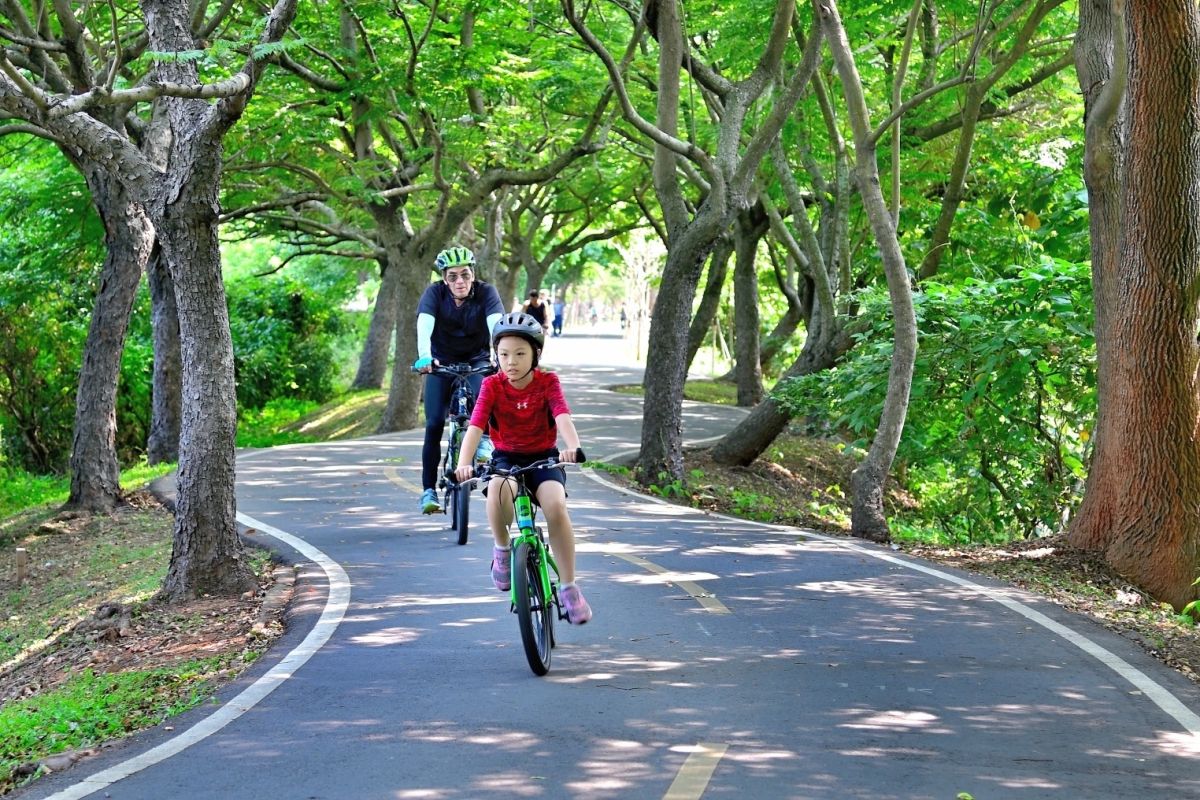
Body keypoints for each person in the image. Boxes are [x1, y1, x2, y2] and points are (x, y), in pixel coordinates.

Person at [454, 312, 592, 624]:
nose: (511, 361)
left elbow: (562, 416)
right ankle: (502, 551)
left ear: (535, 355)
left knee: (556, 505)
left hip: (544, 458)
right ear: (495, 355)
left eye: (519, 354)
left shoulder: (548, 382)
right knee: (498, 492)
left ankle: (569, 587)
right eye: (503, 355)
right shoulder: (491, 386)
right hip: (506, 459)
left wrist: (572, 447)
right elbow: (475, 427)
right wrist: (464, 464)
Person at [413, 245, 504, 514]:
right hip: (440, 362)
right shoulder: (434, 294)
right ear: (444, 278)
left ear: (472, 274)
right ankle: (428, 491)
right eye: (453, 276)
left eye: (465, 274)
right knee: (434, 423)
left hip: (477, 359)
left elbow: (497, 324)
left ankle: (485, 440)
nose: (460, 281)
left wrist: (500, 355)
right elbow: (424, 325)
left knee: (486, 398)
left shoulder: (487, 292)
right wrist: (424, 357)